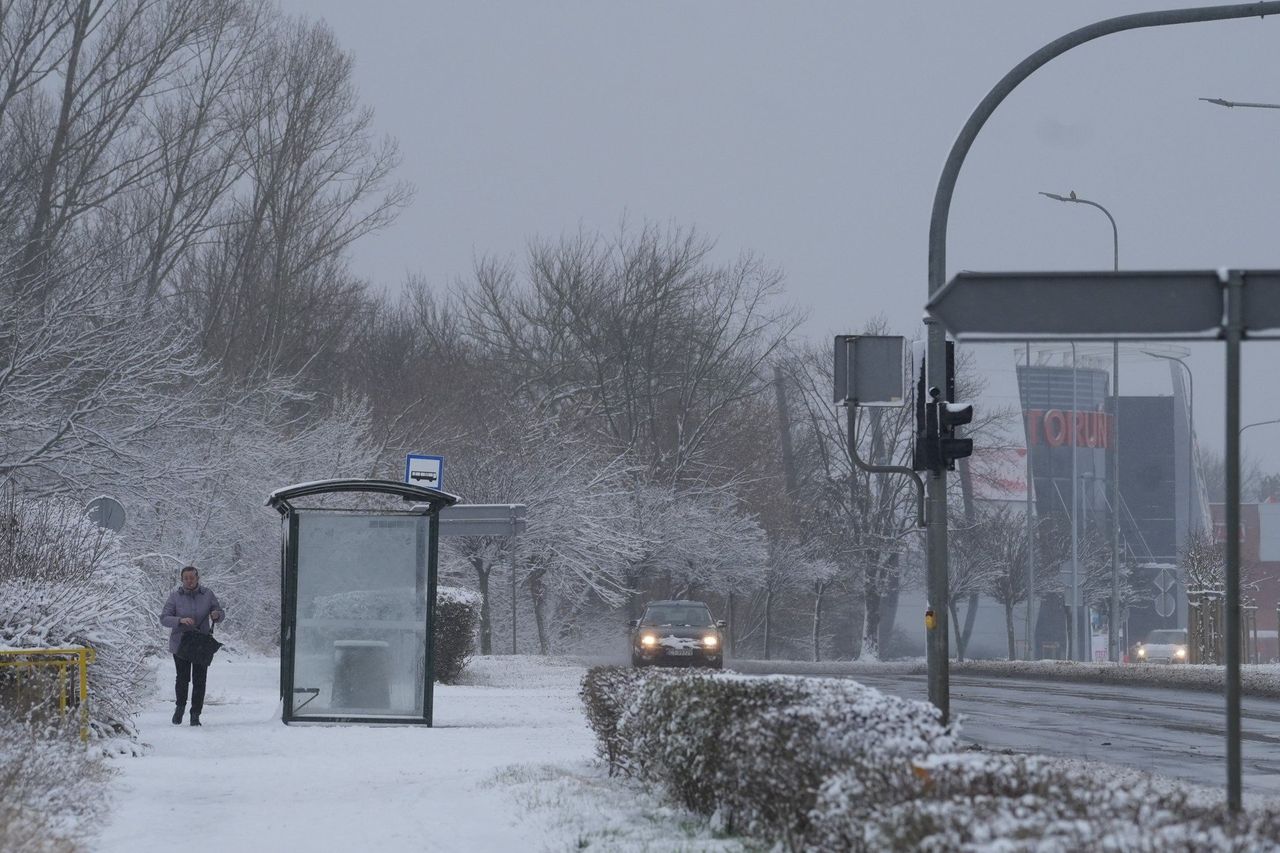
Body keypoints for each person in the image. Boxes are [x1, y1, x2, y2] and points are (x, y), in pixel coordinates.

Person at [160, 566, 224, 726]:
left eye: (192, 577)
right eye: (186, 578)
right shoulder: (175, 597)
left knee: (200, 680)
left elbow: (219, 612)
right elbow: (164, 618)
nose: (189, 581)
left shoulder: (208, 594)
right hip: (180, 643)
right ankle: (180, 708)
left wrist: (217, 615)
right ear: (182, 580)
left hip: (201, 644)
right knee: (182, 678)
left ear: (197, 578)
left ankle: (195, 714)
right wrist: (180, 620)